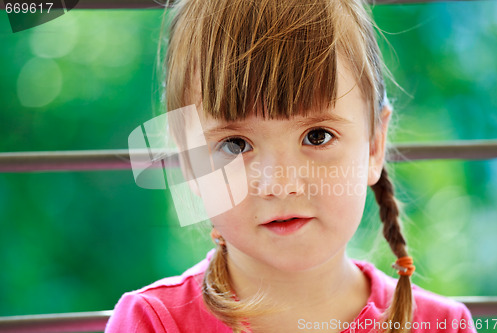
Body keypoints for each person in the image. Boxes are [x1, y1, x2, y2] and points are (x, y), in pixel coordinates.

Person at [106, 0, 476, 332]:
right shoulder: (151, 323)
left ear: (374, 146)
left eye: (317, 136)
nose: (280, 184)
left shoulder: (443, 325)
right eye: (235, 144)